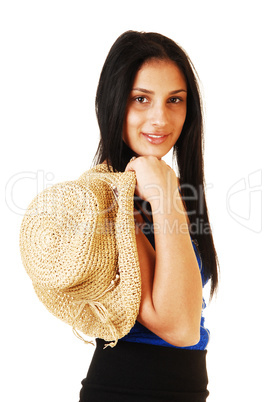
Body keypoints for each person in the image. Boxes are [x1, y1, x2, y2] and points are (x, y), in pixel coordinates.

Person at [79, 30, 219, 402]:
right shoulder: (105, 198)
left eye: (175, 100)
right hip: (129, 388)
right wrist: (166, 196)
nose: (160, 118)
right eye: (141, 99)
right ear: (112, 104)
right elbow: (182, 327)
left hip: (184, 388)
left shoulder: (158, 189)